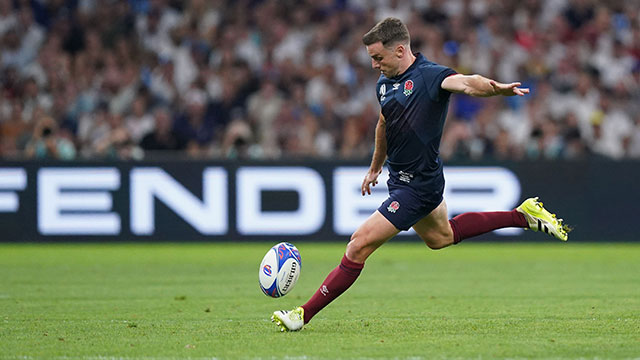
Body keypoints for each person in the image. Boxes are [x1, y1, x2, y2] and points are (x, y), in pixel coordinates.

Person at [272, 17, 570, 332]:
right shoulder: (384, 84)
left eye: (378, 57)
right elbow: (384, 124)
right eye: (372, 58)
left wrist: (496, 90)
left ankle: (301, 315)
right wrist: (375, 166)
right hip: (401, 179)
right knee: (441, 237)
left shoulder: (430, 76)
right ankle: (523, 217)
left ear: (400, 50)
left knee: (358, 244)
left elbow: (468, 82)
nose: (374, 65)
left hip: (419, 187)